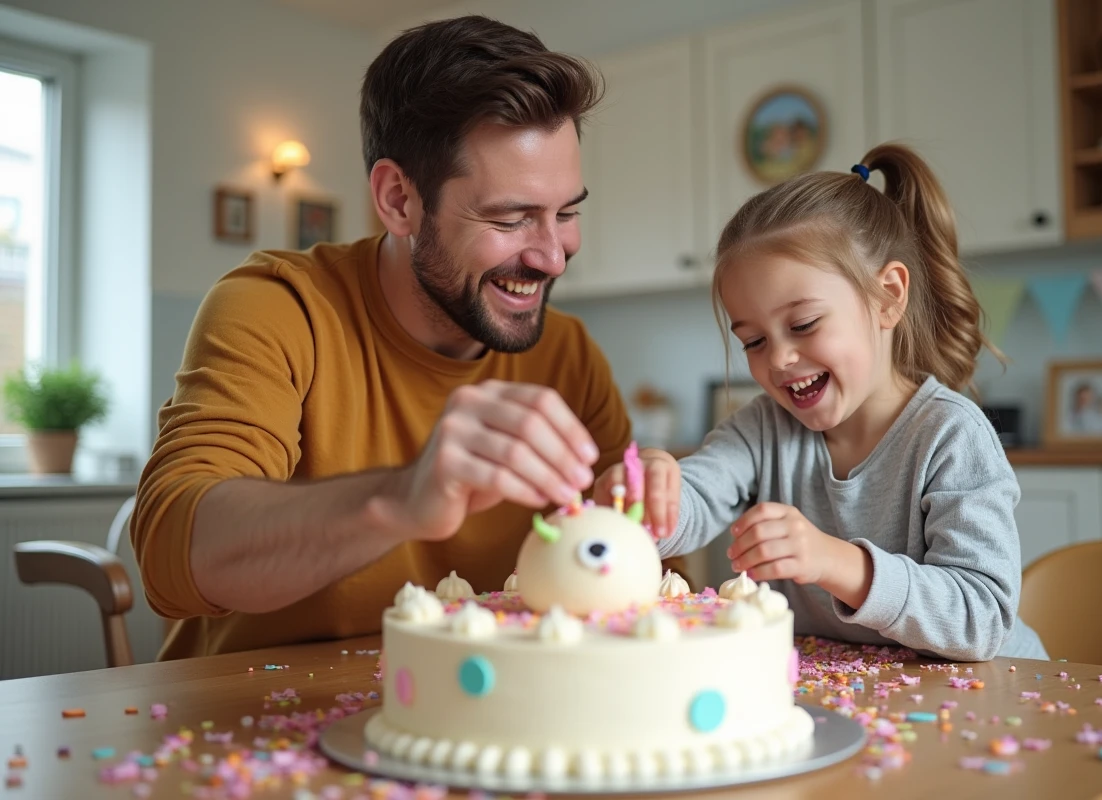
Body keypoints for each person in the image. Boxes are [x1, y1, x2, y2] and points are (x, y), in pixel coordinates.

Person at [131, 15, 687, 659]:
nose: (553, 257)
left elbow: (635, 583)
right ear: (399, 199)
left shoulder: (567, 353)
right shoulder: (278, 308)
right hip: (254, 710)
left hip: (485, 712)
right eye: (511, 218)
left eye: (566, 213)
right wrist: (400, 497)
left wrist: (650, 501)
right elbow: (174, 552)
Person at [596, 144, 1048, 662]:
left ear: (888, 297)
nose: (779, 358)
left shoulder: (950, 435)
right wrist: (650, 496)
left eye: (804, 324)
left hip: (1002, 692)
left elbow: (981, 618)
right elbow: (697, 497)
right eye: (753, 341)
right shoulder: (762, 430)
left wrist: (835, 562)